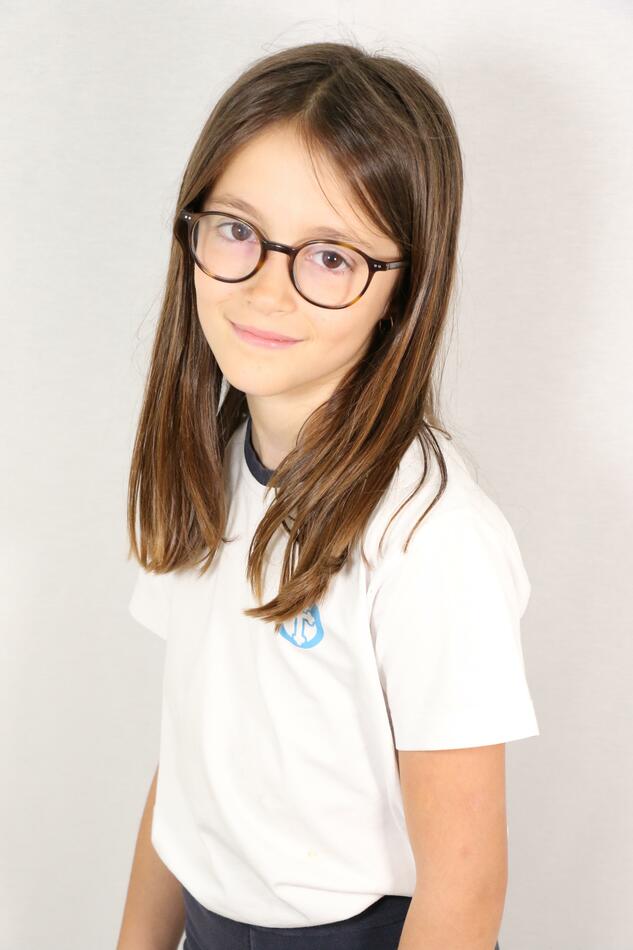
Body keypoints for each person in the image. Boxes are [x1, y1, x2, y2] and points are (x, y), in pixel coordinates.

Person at [117, 39, 538, 950]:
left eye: (331, 257)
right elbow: (190, 768)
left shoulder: (429, 538)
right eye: (237, 231)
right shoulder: (204, 470)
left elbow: (465, 890)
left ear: (402, 291)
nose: (268, 291)